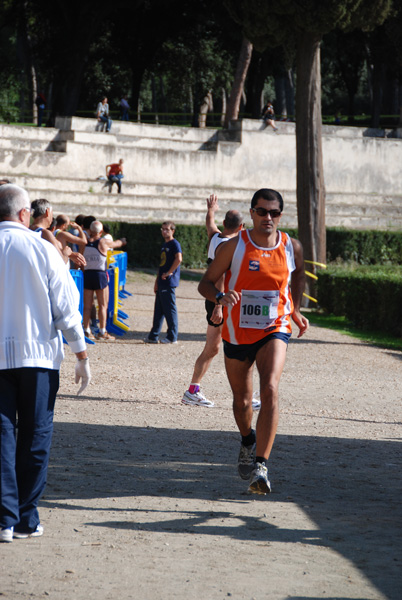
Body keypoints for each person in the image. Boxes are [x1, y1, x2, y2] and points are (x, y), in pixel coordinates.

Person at [198, 188, 309, 495]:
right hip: (237, 332)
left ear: (280, 216)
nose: (268, 218)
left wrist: (296, 310)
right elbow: (204, 283)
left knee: (270, 387)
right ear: (252, 213)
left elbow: (299, 275)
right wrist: (220, 297)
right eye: (262, 212)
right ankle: (247, 439)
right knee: (242, 401)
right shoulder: (233, 247)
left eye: (274, 213)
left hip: (275, 327)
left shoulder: (291, 246)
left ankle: (261, 464)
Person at [0, 184, 91, 543]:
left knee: (3, 436)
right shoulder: (43, 249)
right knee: (36, 436)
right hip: (37, 357)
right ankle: (25, 517)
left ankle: (4, 517)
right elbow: (66, 309)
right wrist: (81, 354)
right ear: (25, 214)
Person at [182, 194, 243, 407]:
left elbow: (210, 224)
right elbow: (221, 277)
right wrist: (219, 306)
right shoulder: (230, 247)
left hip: (217, 299)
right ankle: (193, 390)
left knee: (219, 347)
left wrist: (211, 210)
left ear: (224, 223)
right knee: (215, 347)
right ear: (242, 226)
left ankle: (194, 390)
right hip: (221, 300)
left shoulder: (216, 237)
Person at [82, 220, 126, 341]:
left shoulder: (83, 242)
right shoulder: (103, 242)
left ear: (90, 230)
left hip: (87, 273)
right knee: (102, 305)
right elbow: (116, 244)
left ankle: (86, 330)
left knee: (87, 306)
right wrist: (122, 241)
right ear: (101, 231)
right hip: (100, 274)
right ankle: (102, 331)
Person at [145, 221, 182, 344]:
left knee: (170, 310)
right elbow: (161, 265)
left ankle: (172, 337)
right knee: (159, 310)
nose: (164, 231)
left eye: (167, 229)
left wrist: (170, 272)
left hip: (168, 282)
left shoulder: (174, 244)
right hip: (162, 281)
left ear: (173, 231)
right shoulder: (164, 244)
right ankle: (153, 336)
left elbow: (179, 258)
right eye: (163, 229)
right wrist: (156, 281)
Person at [30, 200, 86, 268]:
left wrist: (70, 254)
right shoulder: (45, 234)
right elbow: (60, 262)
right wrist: (66, 254)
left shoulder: (26, 229)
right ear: (47, 212)